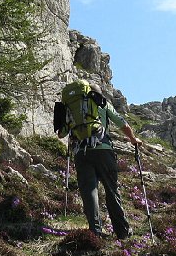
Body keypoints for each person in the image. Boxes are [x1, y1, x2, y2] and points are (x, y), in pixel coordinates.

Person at [56, 81, 141, 240]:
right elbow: (122, 123)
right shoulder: (102, 103)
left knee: (89, 192)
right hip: (103, 150)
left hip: (81, 153)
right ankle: (122, 232)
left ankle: (94, 232)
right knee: (111, 190)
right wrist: (133, 139)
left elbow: (61, 134)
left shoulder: (71, 108)